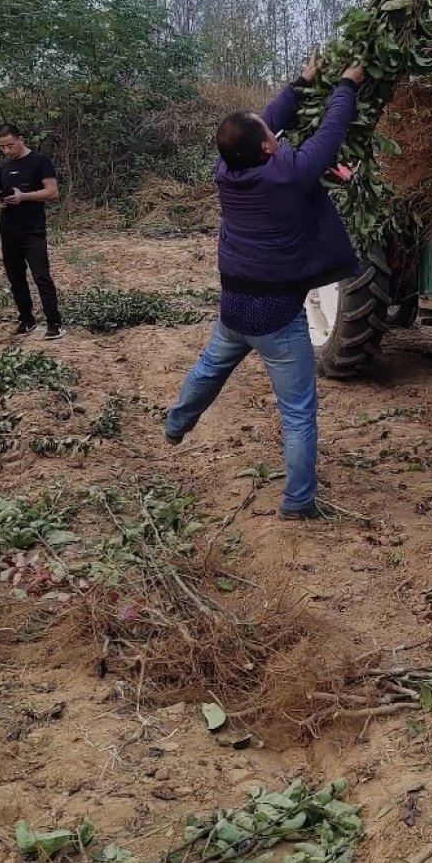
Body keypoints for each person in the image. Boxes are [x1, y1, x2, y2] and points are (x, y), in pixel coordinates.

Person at [166, 54, 364, 521]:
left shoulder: (226, 171)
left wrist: (299, 84)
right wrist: (345, 86)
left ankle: (176, 424)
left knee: (209, 369)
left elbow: (261, 123)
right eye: (272, 134)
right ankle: (298, 502)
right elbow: (331, 132)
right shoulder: (291, 174)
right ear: (270, 148)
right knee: (297, 411)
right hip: (277, 314)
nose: (274, 131)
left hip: (235, 307)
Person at [0, 123, 63, 338]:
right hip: (8, 229)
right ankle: (26, 320)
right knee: (16, 278)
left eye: (10, 146)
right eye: (2, 147)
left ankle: (54, 324)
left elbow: (52, 192)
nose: (7, 151)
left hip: (32, 229)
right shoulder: (5, 167)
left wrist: (24, 196)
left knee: (41, 276)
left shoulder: (40, 162)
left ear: (21, 139)